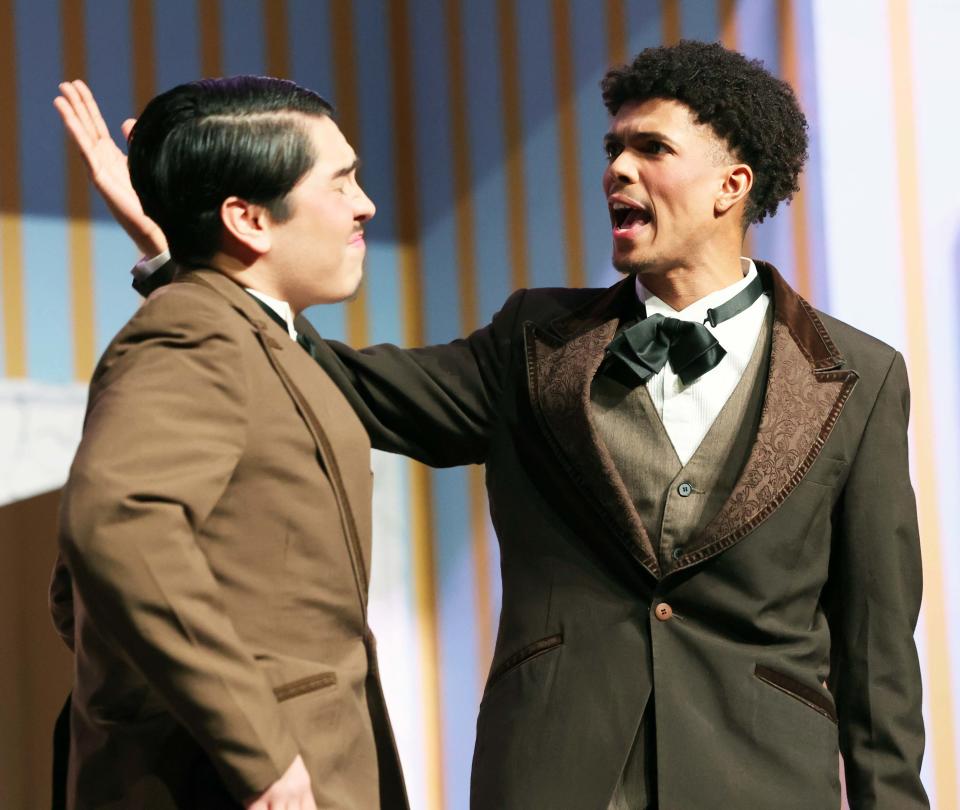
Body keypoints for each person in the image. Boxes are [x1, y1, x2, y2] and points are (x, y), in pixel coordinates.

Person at [60, 40, 927, 809]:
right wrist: (192, 254)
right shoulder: (534, 342)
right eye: (612, 149)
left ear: (731, 186)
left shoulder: (858, 376)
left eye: (651, 149)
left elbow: (877, 654)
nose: (617, 170)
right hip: (554, 772)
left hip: (764, 779)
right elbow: (324, 382)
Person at [50, 76, 408, 809]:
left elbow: (75, 596)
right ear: (248, 219)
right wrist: (262, 752)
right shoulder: (196, 330)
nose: (365, 203)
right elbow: (116, 526)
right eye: (341, 182)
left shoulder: (241, 330)